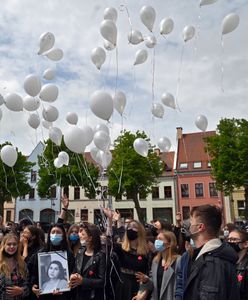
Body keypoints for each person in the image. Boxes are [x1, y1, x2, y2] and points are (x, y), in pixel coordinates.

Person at [183, 204, 240, 300]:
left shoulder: (211, 263)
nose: (187, 225)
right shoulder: (211, 256)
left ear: (200, 227)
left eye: (190, 221)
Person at [104, 208, 150, 300]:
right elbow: (109, 241)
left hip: (139, 288)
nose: (130, 230)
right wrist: (109, 220)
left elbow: (150, 273)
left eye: (134, 228)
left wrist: (146, 286)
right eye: (128, 228)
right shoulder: (121, 248)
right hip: (122, 286)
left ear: (140, 232)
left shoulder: (147, 251)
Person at [30, 223, 74, 300]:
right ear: (49, 234)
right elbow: (32, 271)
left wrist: (65, 288)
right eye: (53, 232)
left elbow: (72, 273)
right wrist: (32, 286)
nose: (55, 234)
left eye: (58, 232)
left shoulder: (68, 254)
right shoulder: (41, 252)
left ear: (63, 235)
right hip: (44, 296)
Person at [136, 230, 181, 300]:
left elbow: (180, 285)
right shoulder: (155, 261)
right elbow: (153, 285)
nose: (157, 241)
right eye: (156, 239)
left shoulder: (178, 260)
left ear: (169, 244)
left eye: (160, 239)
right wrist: (146, 280)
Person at [69, 223, 106, 300]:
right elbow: (75, 270)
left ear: (90, 238)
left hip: (93, 296)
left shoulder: (100, 255)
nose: (80, 236)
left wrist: (83, 281)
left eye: (83, 234)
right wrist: (72, 276)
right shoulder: (80, 252)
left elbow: (102, 281)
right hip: (79, 295)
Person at [0, 233, 30, 299]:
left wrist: (22, 290)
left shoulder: (22, 264)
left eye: (14, 244)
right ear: (3, 245)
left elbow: (28, 286)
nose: (12, 246)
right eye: (9, 244)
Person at [227, 229, 248, 300]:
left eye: (234, 239)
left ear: (245, 244)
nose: (230, 242)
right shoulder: (226, 263)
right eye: (229, 239)